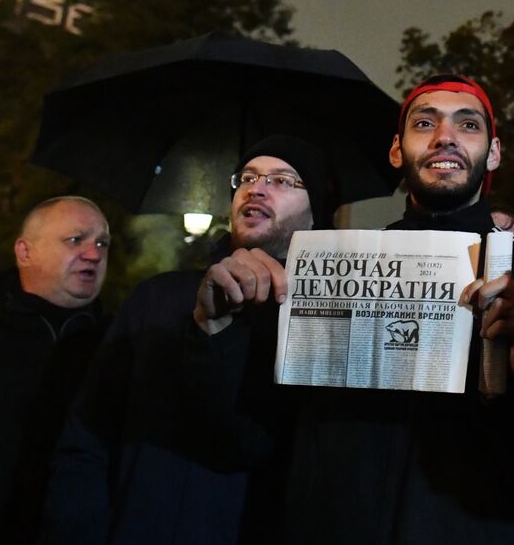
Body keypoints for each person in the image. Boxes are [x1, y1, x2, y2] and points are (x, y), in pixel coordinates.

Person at [282, 73, 514, 544]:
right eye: (425, 123)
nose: (445, 138)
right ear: (397, 150)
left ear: (494, 152)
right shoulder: (337, 261)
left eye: (468, 125)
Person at [45, 136, 336, 545]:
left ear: (315, 214)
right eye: (247, 177)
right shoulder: (157, 298)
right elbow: (87, 437)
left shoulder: (329, 319)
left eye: (283, 180)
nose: (256, 188)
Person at [0, 196, 110, 545]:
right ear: (25, 252)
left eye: (102, 243)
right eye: (76, 240)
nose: (94, 254)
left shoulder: (119, 343)